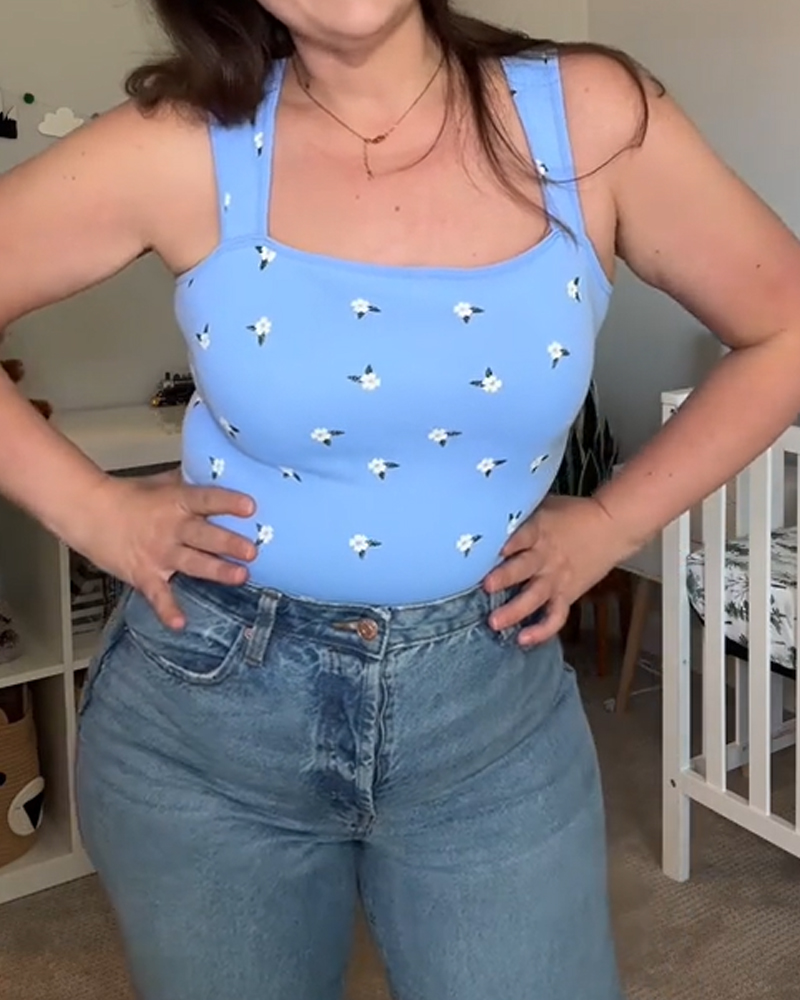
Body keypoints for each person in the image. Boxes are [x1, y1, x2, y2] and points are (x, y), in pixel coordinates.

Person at [2, 1, 800, 997]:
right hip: (208, 719)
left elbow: (784, 328)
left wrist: (614, 521)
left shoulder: (588, 117)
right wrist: (92, 512)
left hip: (489, 709)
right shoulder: (183, 142)